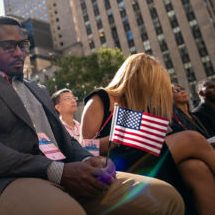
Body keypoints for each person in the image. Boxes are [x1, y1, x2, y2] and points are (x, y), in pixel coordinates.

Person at [0, 16, 184, 215]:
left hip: (69, 172)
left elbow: (67, 139)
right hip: (4, 181)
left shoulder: (38, 89)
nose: (20, 53)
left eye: (23, 45)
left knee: (166, 196)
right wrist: (57, 171)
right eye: (9, 46)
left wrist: (87, 160)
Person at [82, 53, 215, 215]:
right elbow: (85, 148)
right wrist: (121, 136)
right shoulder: (102, 98)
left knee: (195, 168)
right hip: (115, 166)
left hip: (144, 157)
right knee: (192, 139)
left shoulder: (142, 104)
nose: (154, 89)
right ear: (139, 78)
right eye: (153, 83)